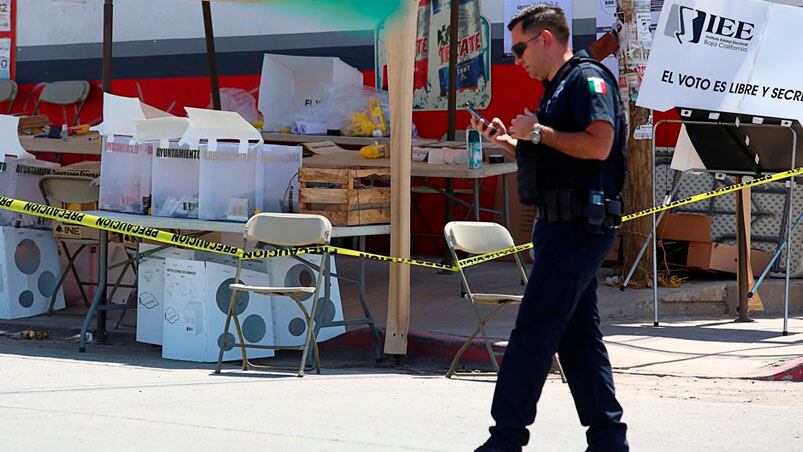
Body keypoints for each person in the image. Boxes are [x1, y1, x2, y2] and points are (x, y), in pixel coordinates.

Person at [470, 4, 629, 452]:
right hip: (558, 224)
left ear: (545, 39)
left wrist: (538, 132)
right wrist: (508, 141)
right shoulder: (555, 88)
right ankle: (608, 438)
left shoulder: (587, 79)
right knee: (579, 339)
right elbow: (556, 155)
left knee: (534, 329)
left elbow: (599, 146)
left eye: (519, 48)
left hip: (580, 224)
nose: (516, 59)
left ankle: (505, 438)